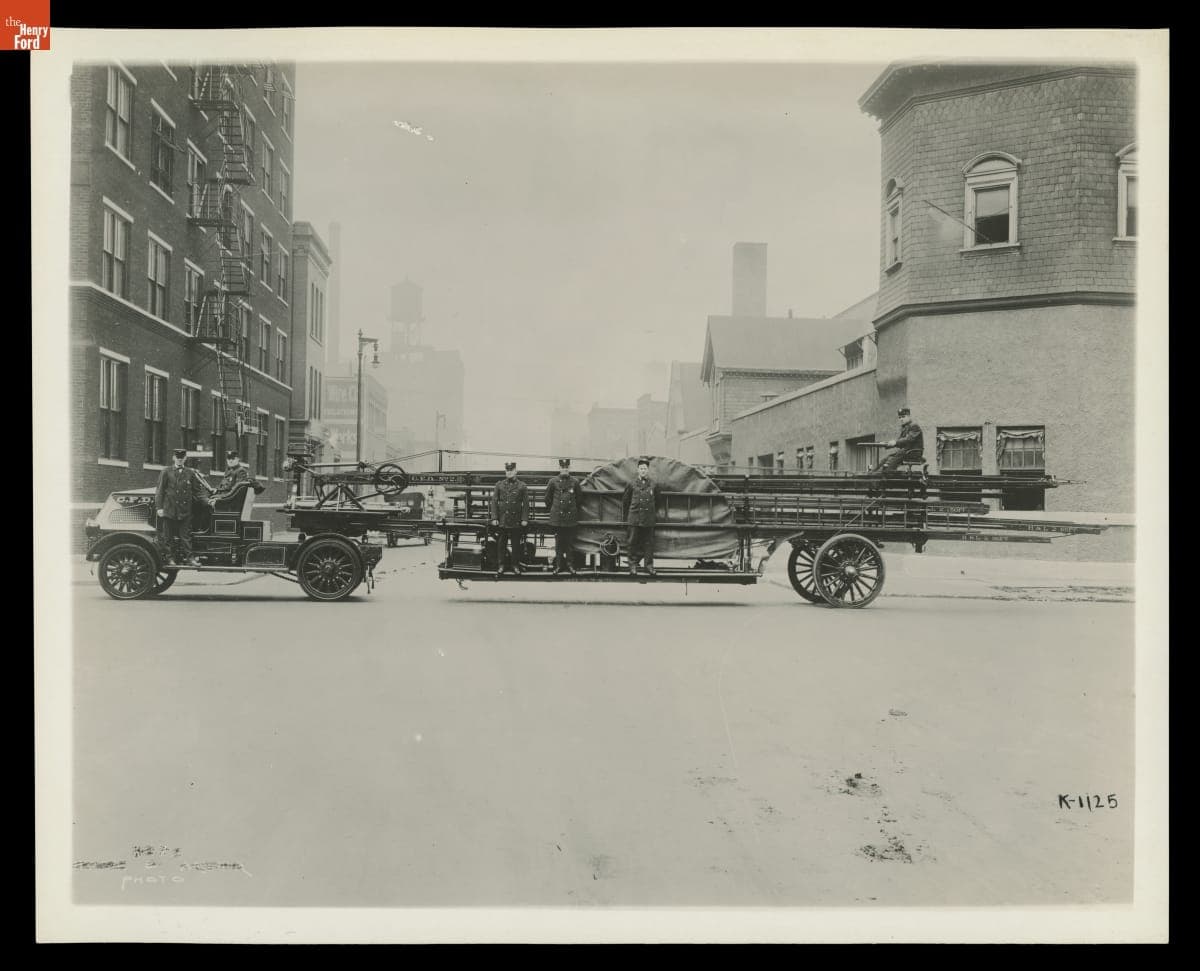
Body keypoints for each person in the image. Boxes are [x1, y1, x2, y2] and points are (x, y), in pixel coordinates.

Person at [155, 448, 211, 566]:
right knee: (168, 537)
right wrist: (159, 508)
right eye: (177, 457)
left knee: (186, 536)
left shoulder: (190, 473)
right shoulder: (166, 471)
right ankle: (170, 559)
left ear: (185, 458)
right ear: (174, 458)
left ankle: (190, 558)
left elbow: (198, 491)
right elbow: (160, 491)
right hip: (169, 509)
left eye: (182, 458)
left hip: (185, 511)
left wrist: (207, 501)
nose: (180, 460)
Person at [621, 456, 660, 576]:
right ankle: (632, 566)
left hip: (648, 519)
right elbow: (625, 501)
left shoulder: (653, 484)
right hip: (635, 518)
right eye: (641, 468)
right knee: (632, 542)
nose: (643, 470)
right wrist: (630, 516)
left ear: (648, 470)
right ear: (638, 470)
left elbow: (657, 500)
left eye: (645, 468)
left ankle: (649, 566)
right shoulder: (632, 484)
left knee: (648, 543)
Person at [544, 457, 583, 575]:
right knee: (559, 543)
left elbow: (579, 499)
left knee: (570, 543)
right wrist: (556, 510)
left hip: (570, 517)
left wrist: (571, 510)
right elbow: (547, 499)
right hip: (558, 518)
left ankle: (570, 565)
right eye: (562, 467)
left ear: (569, 468)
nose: (564, 469)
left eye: (566, 467)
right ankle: (559, 566)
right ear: (559, 468)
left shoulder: (575, 482)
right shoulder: (553, 481)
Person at [489, 461, 529, 575]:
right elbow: (494, 502)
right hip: (503, 520)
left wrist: (524, 519)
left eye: (511, 470)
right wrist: (494, 517)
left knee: (516, 545)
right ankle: (501, 565)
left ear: (516, 471)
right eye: (507, 470)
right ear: (505, 471)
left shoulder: (522, 486)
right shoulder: (499, 485)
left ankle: (515, 565)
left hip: (516, 521)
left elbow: (526, 504)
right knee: (501, 544)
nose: (509, 472)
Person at [870, 407, 925, 473]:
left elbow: (909, 439)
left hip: (913, 452)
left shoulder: (914, 426)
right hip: (906, 452)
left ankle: (882, 474)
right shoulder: (905, 428)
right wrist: (886, 443)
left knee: (890, 462)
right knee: (885, 459)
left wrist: (895, 442)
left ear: (909, 416)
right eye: (900, 417)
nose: (901, 419)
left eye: (903, 417)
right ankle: (873, 473)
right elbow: (899, 441)